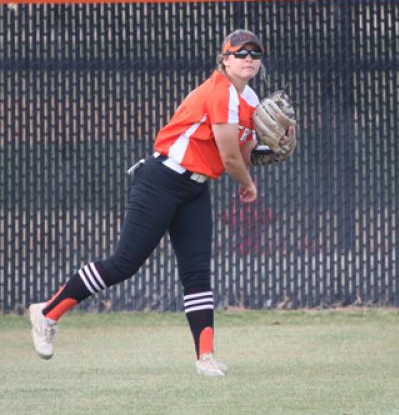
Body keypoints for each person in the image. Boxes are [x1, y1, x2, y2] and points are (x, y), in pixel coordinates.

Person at [29, 28, 294, 377]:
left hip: (195, 188)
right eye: (240, 53)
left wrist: (271, 148)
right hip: (162, 179)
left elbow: (240, 152)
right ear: (224, 59)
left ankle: (206, 357)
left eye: (255, 54)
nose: (248, 59)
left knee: (197, 273)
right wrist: (248, 183)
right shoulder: (221, 92)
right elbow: (230, 159)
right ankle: (46, 313)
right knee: (125, 263)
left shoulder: (250, 100)